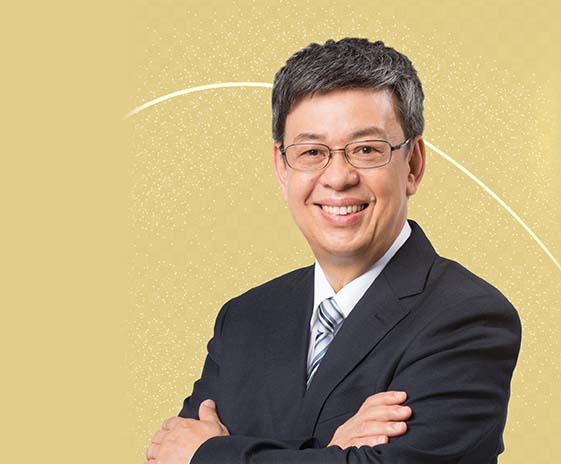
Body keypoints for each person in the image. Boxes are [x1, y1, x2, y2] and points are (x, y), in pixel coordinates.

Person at [145, 37, 522, 464]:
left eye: (366, 150)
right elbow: (167, 456)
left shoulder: (468, 317)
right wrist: (334, 453)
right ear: (282, 168)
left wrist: (211, 455)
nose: (338, 177)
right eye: (312, 152)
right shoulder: (245, 318)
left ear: (413, 164)